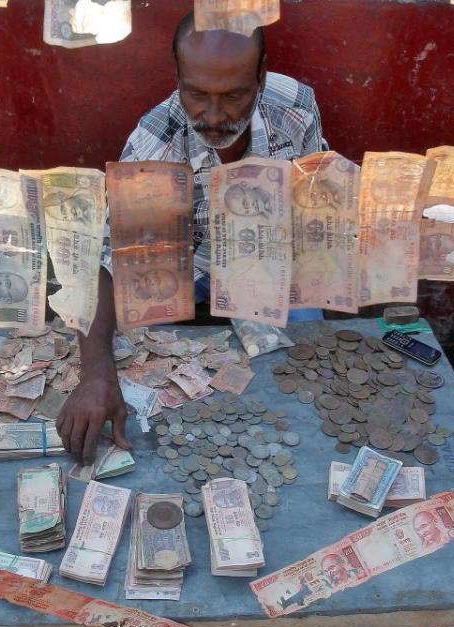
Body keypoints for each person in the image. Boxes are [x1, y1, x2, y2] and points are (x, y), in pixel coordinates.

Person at [56, 11, 327, 464]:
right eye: (196, 94)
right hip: (185, 264)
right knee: (149, 386)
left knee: (306, 374)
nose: (215, 115)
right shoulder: (155, 142)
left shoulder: (296, 108)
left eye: (235, 95)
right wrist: (95, 375)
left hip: (270, 254)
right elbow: (107, 261)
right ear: (178, 79)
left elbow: (313, 196)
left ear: (260, 78)